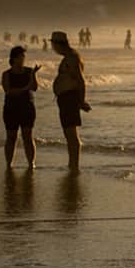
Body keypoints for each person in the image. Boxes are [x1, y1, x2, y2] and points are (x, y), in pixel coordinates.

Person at [50, 30, 89, 170]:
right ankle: (72, 164)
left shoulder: (72, 58)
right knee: (69, 134)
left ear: (58, 45)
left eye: (53, 45)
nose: (53, 49)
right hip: (66, 98)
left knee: (71, 134)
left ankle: (74, 165)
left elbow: (80, 80)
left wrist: (82, 101)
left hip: (69, 98)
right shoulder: (69, 57)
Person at [2, 45, 39, 168]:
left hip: (27, 107)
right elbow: (9, 91)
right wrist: (26, 88)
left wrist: (33, 74)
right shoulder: (6, 74)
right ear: (14, 58)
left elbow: (34, 87)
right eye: (21, 56)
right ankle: (9, 164)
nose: (23, 58)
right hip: (11, 108)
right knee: (11, 137)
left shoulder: (29, 71)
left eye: (24, 56)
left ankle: (31, 163)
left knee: (27, 136)